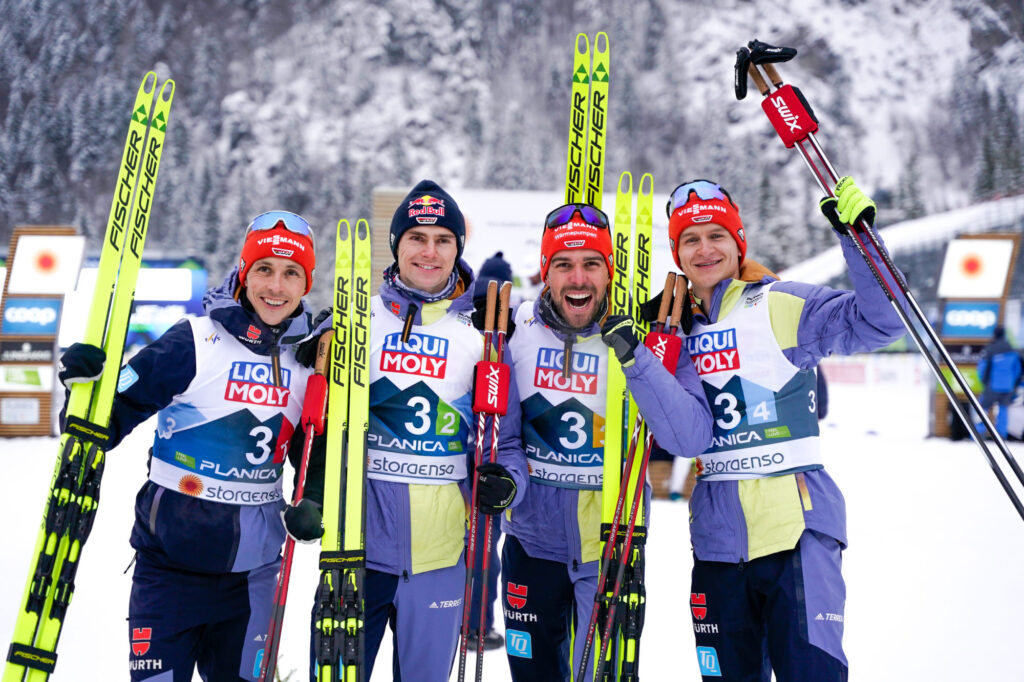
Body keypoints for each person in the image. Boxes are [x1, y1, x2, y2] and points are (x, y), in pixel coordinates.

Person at [57, 211, 327, 681]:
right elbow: (105, 423)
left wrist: (314, 503)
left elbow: (315, 456)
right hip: (168, 573)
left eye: (291, 274)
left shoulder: (311, 363)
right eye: (263, 269)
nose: (276, 287)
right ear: (243, 273)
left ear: (306, 285)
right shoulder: (194, 341)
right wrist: (83, 389)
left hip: (255, 577)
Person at [663, 177, 908, 680]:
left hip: (797, 531)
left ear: (739, 242)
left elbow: (882, 321)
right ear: (676, 251)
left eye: (717, 235)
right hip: (717, 543)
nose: (705, 249)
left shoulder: (778, 303)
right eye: (691, 238)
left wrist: (859, 239)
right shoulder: (671, 328)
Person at [303, 180, 528, 681]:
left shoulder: (481, 334)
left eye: (443, 240)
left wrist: (507, 482)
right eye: (417, 238)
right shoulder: (357, 320)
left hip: (442, 556)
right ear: (396, 245)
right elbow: (311, 426)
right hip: (356, 552)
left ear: (457, 250)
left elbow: (506, 441)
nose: (429, 251)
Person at [498, 203, 713, 681]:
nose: (578, 279)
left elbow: (690, 437)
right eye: (564, 264)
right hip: (532, 548)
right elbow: (505, 439)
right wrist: (506, 481)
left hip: (614, 546)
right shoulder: (517, 332)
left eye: (592, 264)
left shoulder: (645, 333)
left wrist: (637, 358)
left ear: (609, 271)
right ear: (546, 272)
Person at [467, 251, 516, 652]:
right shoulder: (508, 316)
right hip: (489, 449)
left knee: (460, 543)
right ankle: (478, 624)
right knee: (486, 544)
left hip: (455, 451)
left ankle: (457, 616)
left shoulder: (462, 309)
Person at [975, 325, 1022, 439]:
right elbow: (1017, 370)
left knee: (983, 409)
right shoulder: (1011, 350)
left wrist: (984, 382)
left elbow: (982, 368)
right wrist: (1012, 384)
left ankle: (978, 434)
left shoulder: (990, 349)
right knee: (1003, 410)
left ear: (994, 334)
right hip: (1008, 387)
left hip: (992, 386)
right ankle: (1001, 435)